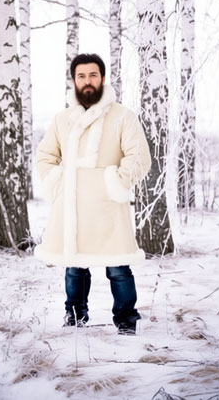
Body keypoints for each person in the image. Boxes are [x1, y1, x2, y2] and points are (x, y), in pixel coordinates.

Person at [34, 53, 151, 335]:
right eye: (82, 76)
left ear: (102, 78)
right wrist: (59, 182)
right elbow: (45, 156)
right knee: (74, 266)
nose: (88, 81)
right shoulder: (62, 119)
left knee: (118, 268)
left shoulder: (123, 116)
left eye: (93, 75)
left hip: (109, 205)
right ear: (74, 81)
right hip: (72, 204)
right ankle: (75, 315)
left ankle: (126, 320)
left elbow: (138, 156)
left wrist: (116, 182)